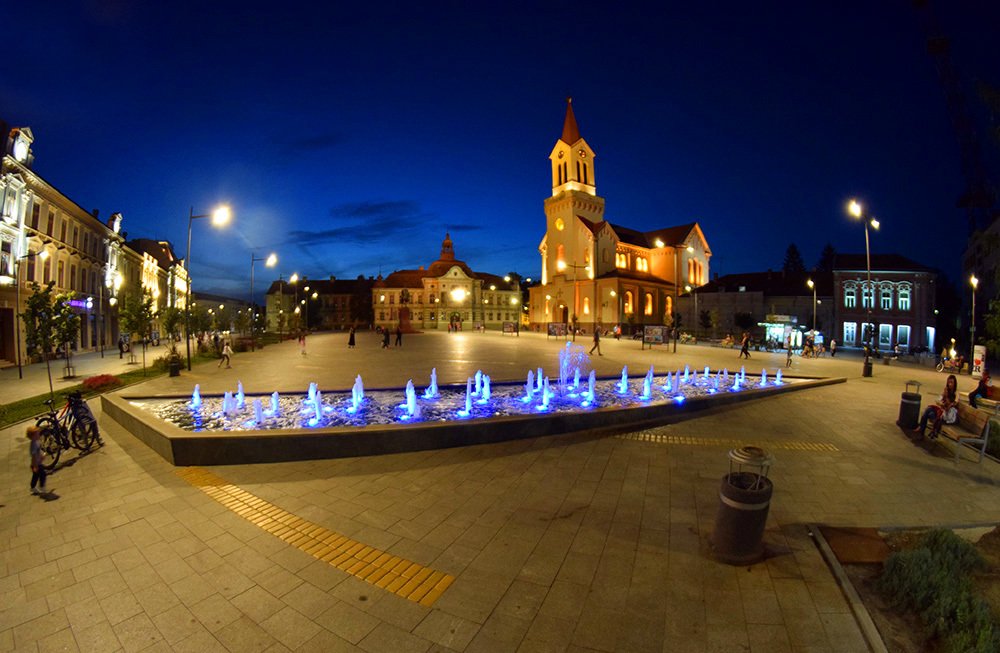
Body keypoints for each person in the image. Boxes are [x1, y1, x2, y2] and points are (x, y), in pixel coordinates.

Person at [914, 374, 959, 439]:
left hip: (947, 415)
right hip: (940, 411)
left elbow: (951, 405)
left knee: (930, 414)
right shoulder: (946, 391)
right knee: (928, 410)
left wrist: (946, 397)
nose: (950, 384)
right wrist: (942, 401)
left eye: (951, 382)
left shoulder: (956, 394)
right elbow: (938, 400)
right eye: (948, 382)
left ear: (955, 383)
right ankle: (921, 431)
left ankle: (922, 430)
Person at [27, 425, 47, 495]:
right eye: (37, 434)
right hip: (36, 464)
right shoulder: (33, 444)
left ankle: (32, 487)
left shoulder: (36, 442)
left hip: (37, 463)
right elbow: (33, 456)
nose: (39, 434)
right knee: (43, 474)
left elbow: (39, 451)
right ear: (32, 436)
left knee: (36, 476)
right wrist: (35, 466)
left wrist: (42, 456)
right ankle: (41, 486)